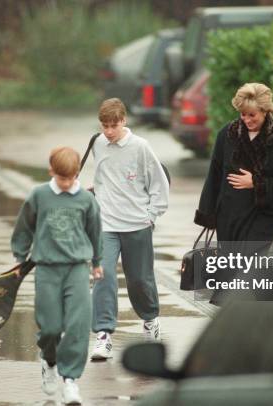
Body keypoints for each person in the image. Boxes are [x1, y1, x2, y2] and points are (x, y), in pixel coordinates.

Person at [194, 83, 273, 305]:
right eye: (243, 114)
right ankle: (243, 313)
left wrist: (257, 183)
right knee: (234, 262)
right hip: (229, 215)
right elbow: (214, 174)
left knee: (252, 258)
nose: (247, 120)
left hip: (264, 214)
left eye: (252, 115)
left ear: (266, 111)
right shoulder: (227, 134)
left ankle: (243, 306)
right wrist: (208, 214)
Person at [11, 146, 103, 405]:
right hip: (47, 268)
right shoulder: (39, 195)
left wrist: (97, 261)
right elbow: (24, 227)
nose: (66, 183)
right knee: (50, 327)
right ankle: (49, 361)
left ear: (76, 174)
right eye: (62, 178)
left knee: (78, 325)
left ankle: (71, 380)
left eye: (71, 178)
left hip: (76, 267)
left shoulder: (85, 199)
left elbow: (95, 230)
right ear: (51, 171)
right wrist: (20, 258)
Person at [89, 98, 169, 360]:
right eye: (105, 126)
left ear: (124, 120)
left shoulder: (140, 147)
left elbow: (159, 182)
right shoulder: (97, 143)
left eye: (114, 125)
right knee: (103, 276)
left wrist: (151, 215)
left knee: (139, 280)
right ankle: (103, 335)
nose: (109, 131)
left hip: (137, 223)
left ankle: (150, 320)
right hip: (106, 223)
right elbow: (102, 177)